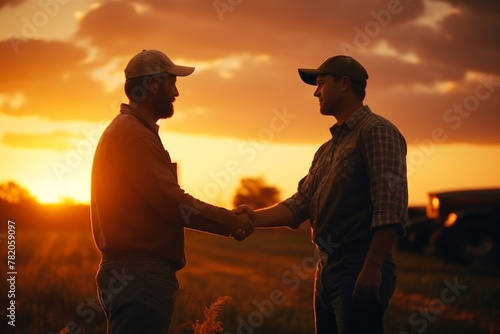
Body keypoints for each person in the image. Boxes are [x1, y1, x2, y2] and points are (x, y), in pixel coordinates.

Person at [237, 55, 408, 333]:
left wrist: (372, 268)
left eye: (320, 84)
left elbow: (391, 207)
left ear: (343, 84)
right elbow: (300, 203)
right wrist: (252, 217)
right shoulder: (326, 150)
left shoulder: (377, 131)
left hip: (358, 266)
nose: (316, 92)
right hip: (326, 270)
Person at [90, 49, 254, 334]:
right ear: (152, 85)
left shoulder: (130, 131)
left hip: (133, 273)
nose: (176, 92)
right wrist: (230, 221)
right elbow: (170, 201)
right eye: (171, 82)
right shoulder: (134, 135)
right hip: (140, 275)